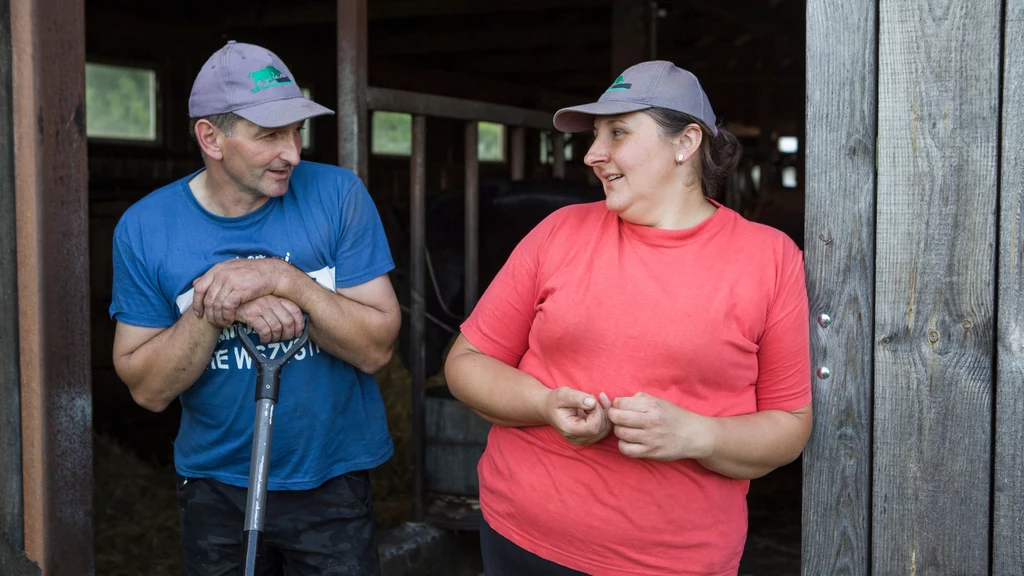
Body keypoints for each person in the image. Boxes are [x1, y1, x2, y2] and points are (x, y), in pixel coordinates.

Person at [445, 60, 812, 576]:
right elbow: (466, 362)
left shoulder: (769, 258)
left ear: (685, 143)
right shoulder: (560, 231)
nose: (594, 155)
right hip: (518, 534)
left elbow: (790, 425)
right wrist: (545, 404)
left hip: (673, 561)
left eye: (617, 132)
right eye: (595, 135)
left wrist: (697, 436)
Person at [109, 41, 400, 576]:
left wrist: (283, 279)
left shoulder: (338, 195)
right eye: (270, 135)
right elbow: (147, 390)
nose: (292, 151)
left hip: (331, 479)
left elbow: (377, 348)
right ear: (211, 137)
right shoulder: (146, 228)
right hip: (215, 487)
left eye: (296, 131)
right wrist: (217, 302)